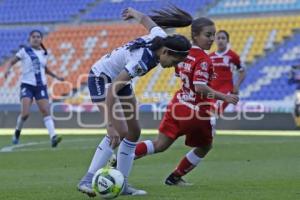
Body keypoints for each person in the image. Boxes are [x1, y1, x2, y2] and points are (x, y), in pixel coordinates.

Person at [77, 7, 192, 196]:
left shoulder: (160, 37)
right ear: (165, 52)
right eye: (174, 61)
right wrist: (109, 124)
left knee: (134, 132)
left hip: (119, 79)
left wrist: (133, 12)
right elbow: (113, 89)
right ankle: (86, 180)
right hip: (101, 78)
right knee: (119, 131)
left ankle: (121, 185)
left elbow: (146, 19)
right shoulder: (141, 62)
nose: (173, 66)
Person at [134, 15, 239, 186]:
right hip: (197, 111)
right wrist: (224, 96)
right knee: (205, 147)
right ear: (196, 35)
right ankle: (175, 177)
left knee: (159, 144)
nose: (212, 39)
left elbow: (180, 74)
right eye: (208, 35)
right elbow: (200, 88)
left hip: (178, 105)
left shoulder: (183, 52)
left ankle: (121, 158)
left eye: (213, 35)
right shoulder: (204, 59)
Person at [4, 30, 64, 147]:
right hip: (27, 85)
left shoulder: (43, 54)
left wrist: (56, 77)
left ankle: (53, 137)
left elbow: (44, 69)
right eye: (33, 37)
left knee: (46, 111)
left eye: (38, 37)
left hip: (41, 86)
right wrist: (7, 69)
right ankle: (17, 132)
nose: (36, 39)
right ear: (29, 39)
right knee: (25, 114)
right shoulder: (24, 51)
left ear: (41, 40)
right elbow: (12, 61)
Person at [209, 30, 246, 114]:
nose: (220, 40)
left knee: (214, 110)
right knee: (209, 112)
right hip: (213, 90)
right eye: (218, 38)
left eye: (223, 38)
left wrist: (236, 85)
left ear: (227, 41)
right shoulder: (210, 57)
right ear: (215, 40)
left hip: (226, 89)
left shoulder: (232, 56)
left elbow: (242, 72)